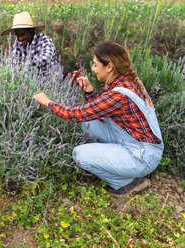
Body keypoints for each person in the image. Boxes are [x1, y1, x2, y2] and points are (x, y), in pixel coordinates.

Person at [33, 41, 164, 196]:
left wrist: (47, 102)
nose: (93, 69)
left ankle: (128, 183)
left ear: (109, 67)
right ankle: (109, 163)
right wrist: (89, 89)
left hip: (142, 155)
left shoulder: (118, 95)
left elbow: (75, 114)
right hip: (134, 142)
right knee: (87, 122)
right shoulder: (124, 81)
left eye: (95, 65)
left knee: (79, 154)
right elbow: (99, 111)